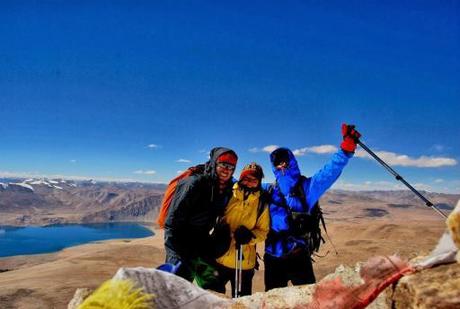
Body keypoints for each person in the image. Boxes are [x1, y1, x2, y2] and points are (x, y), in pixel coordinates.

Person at [263, 124, 361, 290]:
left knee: (310, 301)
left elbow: (330, 171)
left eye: (285, 162)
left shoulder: (308, 188)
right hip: (273, 257)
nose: (282, 166)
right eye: (278, 163)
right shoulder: (269, 189)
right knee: (271, 302)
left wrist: (346, 149)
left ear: (292, 162)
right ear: (274, 167)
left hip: (298, 256)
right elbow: (243, 186)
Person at [164, 147, 238, 284]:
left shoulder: (224, 188)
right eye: (223, 164)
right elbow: (171, 223)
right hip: (181, 243)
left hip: (199, 243)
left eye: (231, 167)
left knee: (204, 286)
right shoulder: (193, 183)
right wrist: (175, 255)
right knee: (176, 286)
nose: (227, 169)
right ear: (214, 163)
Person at [205, 162, 270, 297]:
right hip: (219, 257)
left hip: (243, 263)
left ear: (259, 182)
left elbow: (263, 232)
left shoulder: (262, 203)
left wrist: (250, 236)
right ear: (240, 178)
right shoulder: (228, 193)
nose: (249, 182)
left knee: (241, 302)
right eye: (246, 178)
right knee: (212, 298)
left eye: (254, 179)